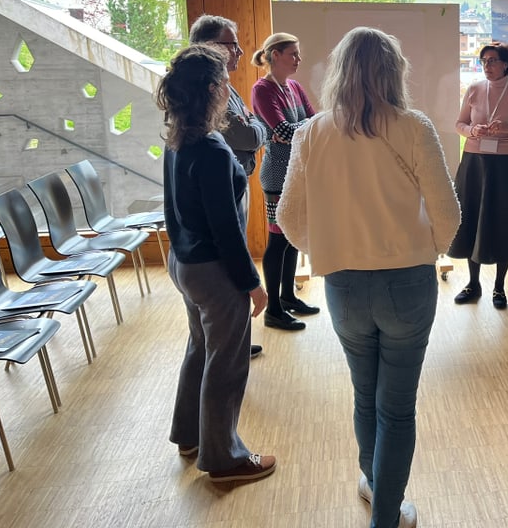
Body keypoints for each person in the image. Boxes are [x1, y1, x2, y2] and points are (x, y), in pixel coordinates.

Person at [277, 27, 460, 528]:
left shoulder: (311, 132)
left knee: (365, 393)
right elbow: (449, 214)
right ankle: (387, 512)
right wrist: (427, 251)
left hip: (343, 286)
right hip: (408, 283)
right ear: (393, 71)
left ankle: (373, 481)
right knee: (396, 407)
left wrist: (329, 249)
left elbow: (289, 218)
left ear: (339, 71)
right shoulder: (414, 127)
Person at [156, 44, 275, 483]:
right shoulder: (212, 149)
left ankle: (189, 434)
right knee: (227, 362)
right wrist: (252, 284)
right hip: (212, 271)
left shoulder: (177, 139)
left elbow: (174, 212)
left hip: (183, 263)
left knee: (200, 349)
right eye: (224, 81)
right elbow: (227, 230)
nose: (229, 88)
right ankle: (223, 458)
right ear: (211, 89)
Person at [189, 14, 268, 358]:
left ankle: (231, 338)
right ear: (208, 46)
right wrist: (253, 127)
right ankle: (227, 342)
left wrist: (254, 127)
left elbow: (254, 127)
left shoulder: (227, 85)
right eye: (231, 44)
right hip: (223, 189)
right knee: (228, 261)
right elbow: (251, 133)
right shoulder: (207, 95)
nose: (239, 51)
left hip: (238, 178)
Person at [448, 41, 508, 309]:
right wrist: (473, 132)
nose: (487, 65)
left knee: (503, 224)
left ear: (506, 64)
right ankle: (473, 284)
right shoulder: (474, 89)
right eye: (484, 61)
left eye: (492, 60)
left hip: (504, 167)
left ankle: (499, 288)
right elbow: (459, 124)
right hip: (474, 164)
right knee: (472, 221)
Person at [251, 31, 319, 331]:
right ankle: (274, 308)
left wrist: (298, 127)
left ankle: (289, 296)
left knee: (292, 237)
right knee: (278, 240)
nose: (298, 59)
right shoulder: (262, 89)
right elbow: (282, 130)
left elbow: (314, 122)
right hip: (277, 174)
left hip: (297, 171)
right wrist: (299, 127)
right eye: (293, 53)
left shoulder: (293, 86)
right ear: (275, 55)